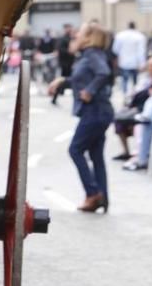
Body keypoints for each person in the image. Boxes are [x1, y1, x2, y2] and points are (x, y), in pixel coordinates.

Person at [48, 22, 114, 213]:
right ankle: (103, 198)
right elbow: (81, 80)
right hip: (98, 111)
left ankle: (93, 194)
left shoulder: (92, 53)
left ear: (89, 37)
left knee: (75, 149)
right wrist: (63, 81)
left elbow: (104, 73)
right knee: (96, 156)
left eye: (80, 33)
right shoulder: (90, 55)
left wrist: (90, 91)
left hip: (95, 111)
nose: (76, 35)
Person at [121, 56, 152, 171]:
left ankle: (141, 158)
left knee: (147, 122)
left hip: (146, 112)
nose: (150, 69)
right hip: (143, 109)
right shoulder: (145, 79)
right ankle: (140, 157)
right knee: (144, 122)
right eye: (149, 66)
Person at [112, 21, 148, 95]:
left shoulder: (120, 35)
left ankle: (125, 95)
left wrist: (118, 58)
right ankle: (134, 95)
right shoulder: (140, 36)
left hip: (124, 62)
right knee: (135, 81)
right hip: (135, 62)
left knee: (125, 80)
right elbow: (141, 51)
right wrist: (142, 63)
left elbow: (115, 49)